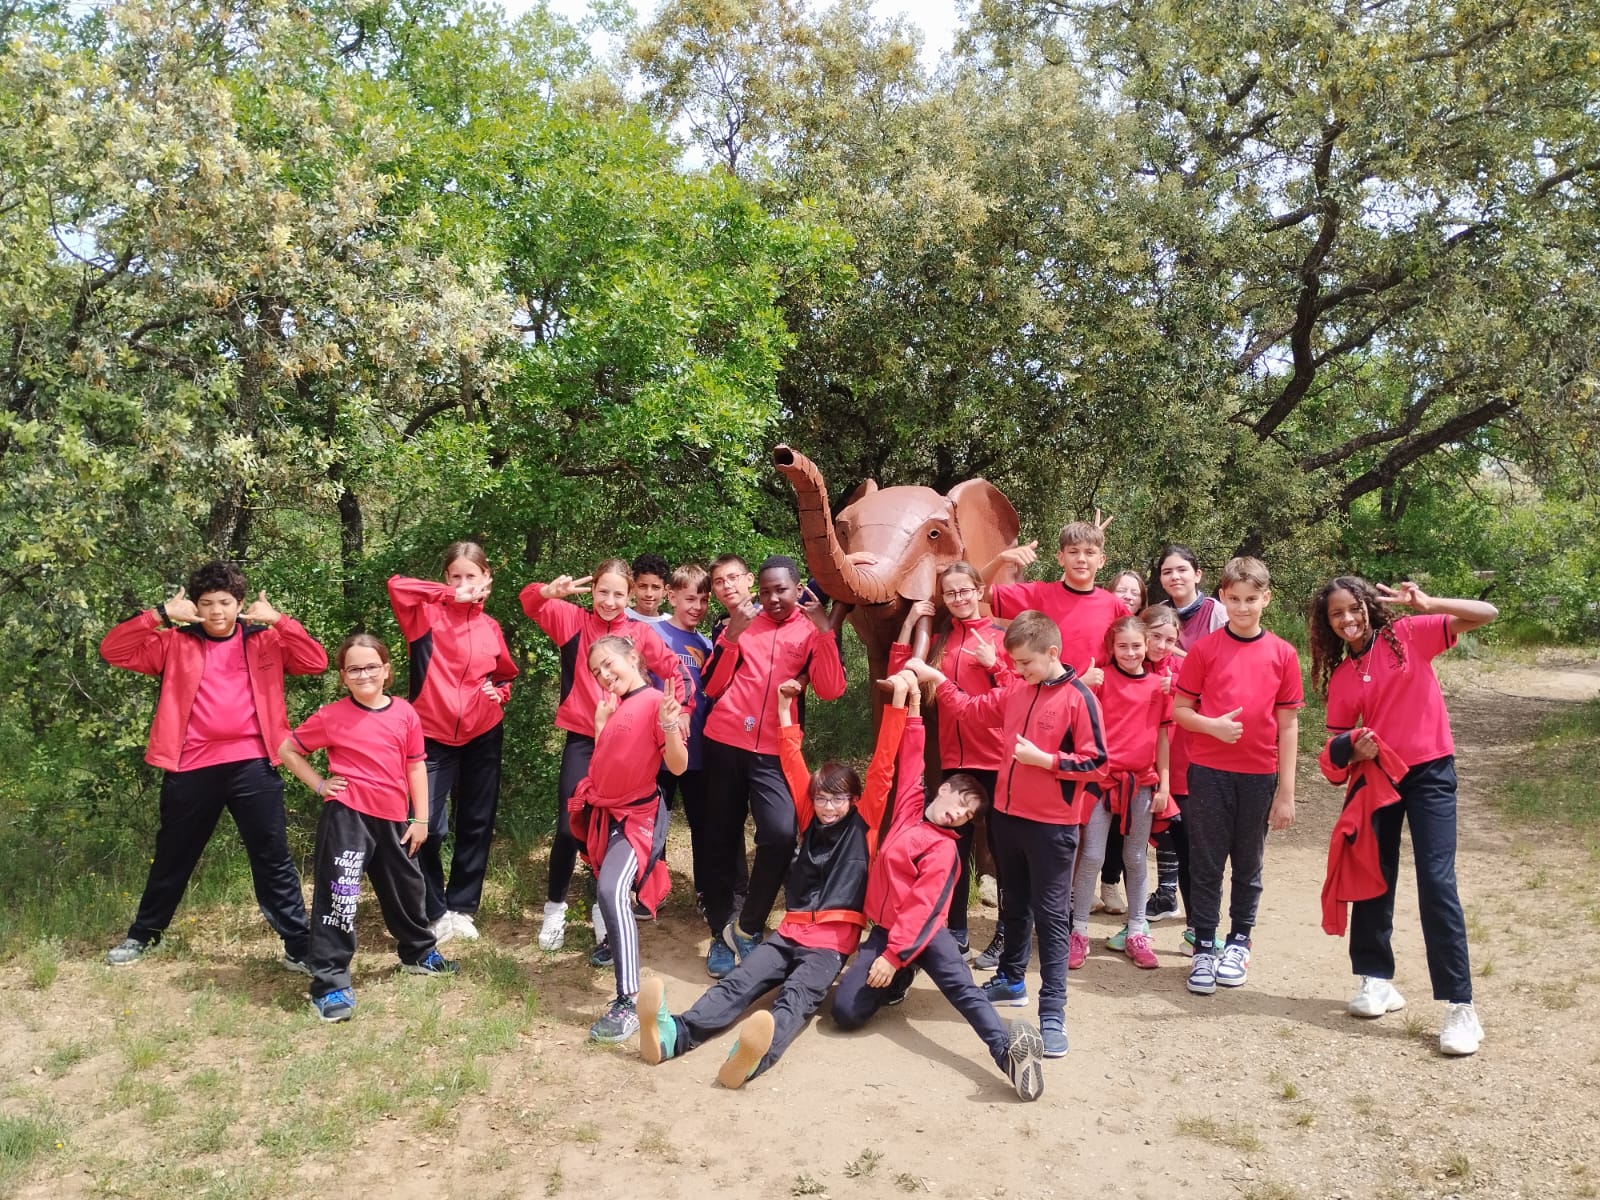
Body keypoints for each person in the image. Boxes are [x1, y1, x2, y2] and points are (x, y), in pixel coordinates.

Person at [637, 673, 898, 1086]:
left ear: (854, 800)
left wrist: (900, 704)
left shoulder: (865, 825)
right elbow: (791, 760)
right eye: (822, 798)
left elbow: (884, 764)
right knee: (738, 983)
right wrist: (782, 708)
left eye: (838, 799)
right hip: (788, 933)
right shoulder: (809, 820)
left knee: (794, 1000)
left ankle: (751, 1058)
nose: (829, 807)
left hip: (830, 946)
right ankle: (674, 1034)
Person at [831, 671, 1047, 1103]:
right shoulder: (910, 810)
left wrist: (893, 956)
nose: (957, 816)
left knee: (963, 991)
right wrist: (913, 703)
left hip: (925, 935)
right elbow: (911, 759)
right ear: (944, 790)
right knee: (845, 1011)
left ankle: (1010, 1054)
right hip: (887, 931)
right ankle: (902, 976)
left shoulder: (944, 849)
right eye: (960, 804)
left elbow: (922, 908)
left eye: (967, 816)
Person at [99, 561, 326, 969]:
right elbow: (113, 651)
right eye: (206, 603)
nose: (216, 611)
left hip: (253, 764)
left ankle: (298, 945)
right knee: (173, 855)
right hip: (190, 766)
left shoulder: (265, 640)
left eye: (224, 602)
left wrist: (279, 620)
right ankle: (143, 935)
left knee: (272, 857)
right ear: (195, 607)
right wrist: (160, 614)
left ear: (239, 603)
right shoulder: (174, 642)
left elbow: (316, 661)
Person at [909, 610, 1109, 1060]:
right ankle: (1012, 980)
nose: (1017, 670)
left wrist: (1047, 761)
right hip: (1007, 816)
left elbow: (1098, 763)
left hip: (1052, 826)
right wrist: (936, 678)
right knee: (1013, 904)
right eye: (1014, 663)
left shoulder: (1080, 699)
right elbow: (970, 709)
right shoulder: (1018, 689)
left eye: (1025, 663)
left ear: (1052, 652)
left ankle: (1052, 1013)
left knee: (1051, 918)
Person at [1309, 576, 1496, 1056]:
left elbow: (1486, 613)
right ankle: (1376, 979)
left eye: (1354, 608)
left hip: (1431, 771)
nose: (1347, 619)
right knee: (1374, 875)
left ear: (1369, 606)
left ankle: (1461, 1007)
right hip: (1378, 779)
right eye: (1336, 614)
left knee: (1437, 880)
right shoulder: (1343, 676)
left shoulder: (1410, 634)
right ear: (1327, 623)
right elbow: (1334, 751)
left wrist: (1428, 602)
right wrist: (1353, 748)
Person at [278, 634, 457, 1022]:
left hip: (393, 818)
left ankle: (418, 953)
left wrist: (421, 819)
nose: (364, 675)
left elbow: (415, 765)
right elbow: (287, 750)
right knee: (339, 899)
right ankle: (330, 984)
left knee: (408, 889)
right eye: (354, 669)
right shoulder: (331, 716)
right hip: (347, 818)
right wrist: (320, 785)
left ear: (386, 670)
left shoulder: (405, 713)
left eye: (371, 666)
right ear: (343, 676)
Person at [520, 560, 695, 953]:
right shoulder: (572, 621)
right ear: (593, 591)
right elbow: (529, 602)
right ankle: (555, 908)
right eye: (603, 592)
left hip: (630, 740)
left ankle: (605, 910)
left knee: (614, 829)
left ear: (630, 596)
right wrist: (549, 591)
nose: (610, 601)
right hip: (584, 738)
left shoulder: (640, 634)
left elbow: (676, 672)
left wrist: (682, 710)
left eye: (619, 594)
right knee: (570, 826)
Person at [700, 557, 847, 974]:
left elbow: (831, 689)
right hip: (724, 740)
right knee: (720, 841)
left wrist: (825, 630)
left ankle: (747, 927)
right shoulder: (740, 623)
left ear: (798, 588)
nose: (773, 598)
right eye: (765, 592)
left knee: (781, 836)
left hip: (775, 748)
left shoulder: (811, 629)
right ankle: (721, 933)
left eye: (781, 589)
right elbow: (711, 685)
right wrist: (732, 636)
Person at [1172, 556, 1303, 996]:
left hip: (1259, 775)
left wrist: (1286, 793)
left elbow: (1288, 726)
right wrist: (1212, 727)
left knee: (1248, 864)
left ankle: (1239, 943)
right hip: (1208, 773)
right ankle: (1204, 946)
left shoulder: (1283, 654)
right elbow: (1180, 710)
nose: (1242, 607)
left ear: (1266, 599)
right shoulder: (1204, 651)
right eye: (1234, 599)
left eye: (1251, 599)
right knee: (1206, 864)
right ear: (1222, 599)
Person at [386, 542, 519, 945]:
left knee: (477, 821)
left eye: (471, 576)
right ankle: (433, 909)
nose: (464, 584)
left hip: (483, 732)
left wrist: (501, 693)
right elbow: (396, 586)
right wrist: (448, 595)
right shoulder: (424, 617)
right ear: (446, 578)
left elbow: (505, 674)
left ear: (487, 578)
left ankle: (462, 908)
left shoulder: (490, 627)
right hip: (429, 733)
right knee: (426, 824)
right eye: (455, 576)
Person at [885, 561, 1012, 964]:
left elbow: (1016, 694)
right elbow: (900, 673)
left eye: (964, 590)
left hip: (996, 760)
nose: (958, 599)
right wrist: (910, 624)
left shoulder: (999, 638)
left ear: (979, 591)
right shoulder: (941, 641)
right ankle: (955, 931)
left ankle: (1006, 935)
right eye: (950, 593)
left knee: (1003, 850)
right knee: (952, 851)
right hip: (956, 761)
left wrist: (994, 664)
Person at [569, 635, 687, 1043]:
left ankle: (630, 1002)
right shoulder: (618, 707)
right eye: (596, 671)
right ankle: (626, 990)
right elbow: (610, 763)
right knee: (608, 892)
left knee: (611, 890)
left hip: (636, 819)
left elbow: (677, 766)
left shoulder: (655, 703)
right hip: (610, 816)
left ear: (633, 657)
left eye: (608, 664)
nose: (604, 674)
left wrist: (670, 725)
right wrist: (601, 726)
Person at [1071, 616, 1172, 971]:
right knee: (1091, 855)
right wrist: (1083, 681)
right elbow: (1073, 712)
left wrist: (1164, 785)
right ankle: (1078, 931)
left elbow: (1163, 738)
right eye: (1122, 646)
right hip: (1102, 780)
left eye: (1136, 646)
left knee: (1136, 858)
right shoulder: (1101, 679)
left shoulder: (1159, 686)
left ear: (1147, 646)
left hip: (1142, 782)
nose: (1130, 653)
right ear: (1111, 648)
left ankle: (1137, 930)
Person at [654, 564, 715, 906]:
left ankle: (705, 890)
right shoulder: (653, 634)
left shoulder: (706, 644)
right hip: (659, 746)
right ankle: (651, 890)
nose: (697, 607)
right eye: (690, 598)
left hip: (698, 749)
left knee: (702, 822)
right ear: (672, 596)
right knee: (655, 821)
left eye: (704, 600)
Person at [1135, 606, 1193, 946]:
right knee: (1140, 840)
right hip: (1139, 765)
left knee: (1180, 836)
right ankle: (1142, 913)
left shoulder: (1184, 668)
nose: (1161, 646)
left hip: (1179, 763)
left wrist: (1182, 689)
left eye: (1169, 640)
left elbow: (1208, 701)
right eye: (1154, 637)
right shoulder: (1130, 663)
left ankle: (1194, 922)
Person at [1150, 544, 1228, 650]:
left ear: (1197, 575)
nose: (1175, 577)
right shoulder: (1156, 614)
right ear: (1161, 580)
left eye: (1182, 570)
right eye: (1167, 572)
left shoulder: (1217, 614)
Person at [626, 553, 672, 625]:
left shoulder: (671, 624)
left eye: (656, 587)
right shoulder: (620, 617)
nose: (649, 594)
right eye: (642, 586)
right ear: (633, 587)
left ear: (666, 590)